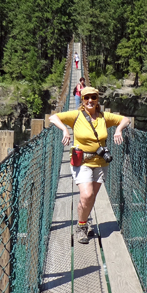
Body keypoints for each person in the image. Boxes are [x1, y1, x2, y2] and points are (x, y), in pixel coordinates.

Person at [50, 86, 131, 244]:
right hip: (82, 162)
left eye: (93, 97)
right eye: (86, 97)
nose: (90, 100)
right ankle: (81, 226)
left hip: (100, 163)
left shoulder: (103, 117)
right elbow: (53, 118)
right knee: (86, 195)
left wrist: (118, 130)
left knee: (91, 197)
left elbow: (125, 120)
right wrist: (65, 130)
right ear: (82, 99)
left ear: (97, 100)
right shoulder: (76, 115)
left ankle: (84, 220)